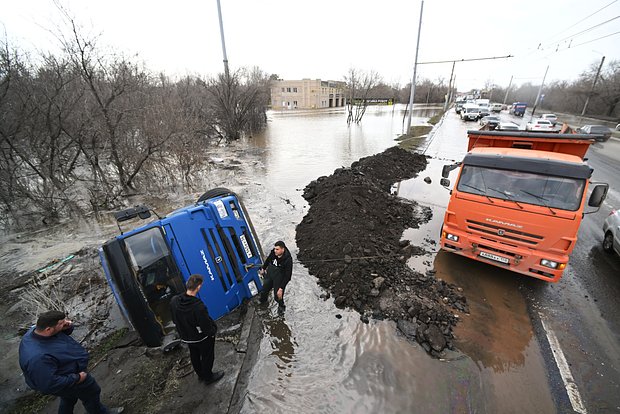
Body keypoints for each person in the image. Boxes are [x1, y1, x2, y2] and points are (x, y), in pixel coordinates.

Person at [18, 310, 123, 414]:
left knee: (69, 397)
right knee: (92, 392)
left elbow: (59, 336)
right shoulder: (38, 358)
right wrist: (77, 378)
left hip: (65, 371)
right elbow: (49, 384)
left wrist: (66, 327)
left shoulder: (36, 331)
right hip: (69, 377)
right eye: (61, 323)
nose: (66, 322)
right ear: (48, 329)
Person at [170, 274, 224, 385]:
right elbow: (205, 326)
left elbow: (174, 319)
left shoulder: (175, 301)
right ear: (198, 287)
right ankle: (208, 377)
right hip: (201, 338)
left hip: (187, 337)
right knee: (207, 356)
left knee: (194, 355)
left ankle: (201, 375)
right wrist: (213, 332)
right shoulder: (198, 306)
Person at [259, 240, 293, 315]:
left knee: (277, 296)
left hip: (280, 277)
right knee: (264, 290)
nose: (275, 251)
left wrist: (281, 288)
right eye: (275, 249)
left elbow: (288, 276)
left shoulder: (288, 260)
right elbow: (268, 260)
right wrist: (263, 268)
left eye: (277, 249)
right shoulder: (273, 253)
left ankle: (281, 306)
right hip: (270, 274)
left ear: (282, 249)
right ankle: (263, 302)